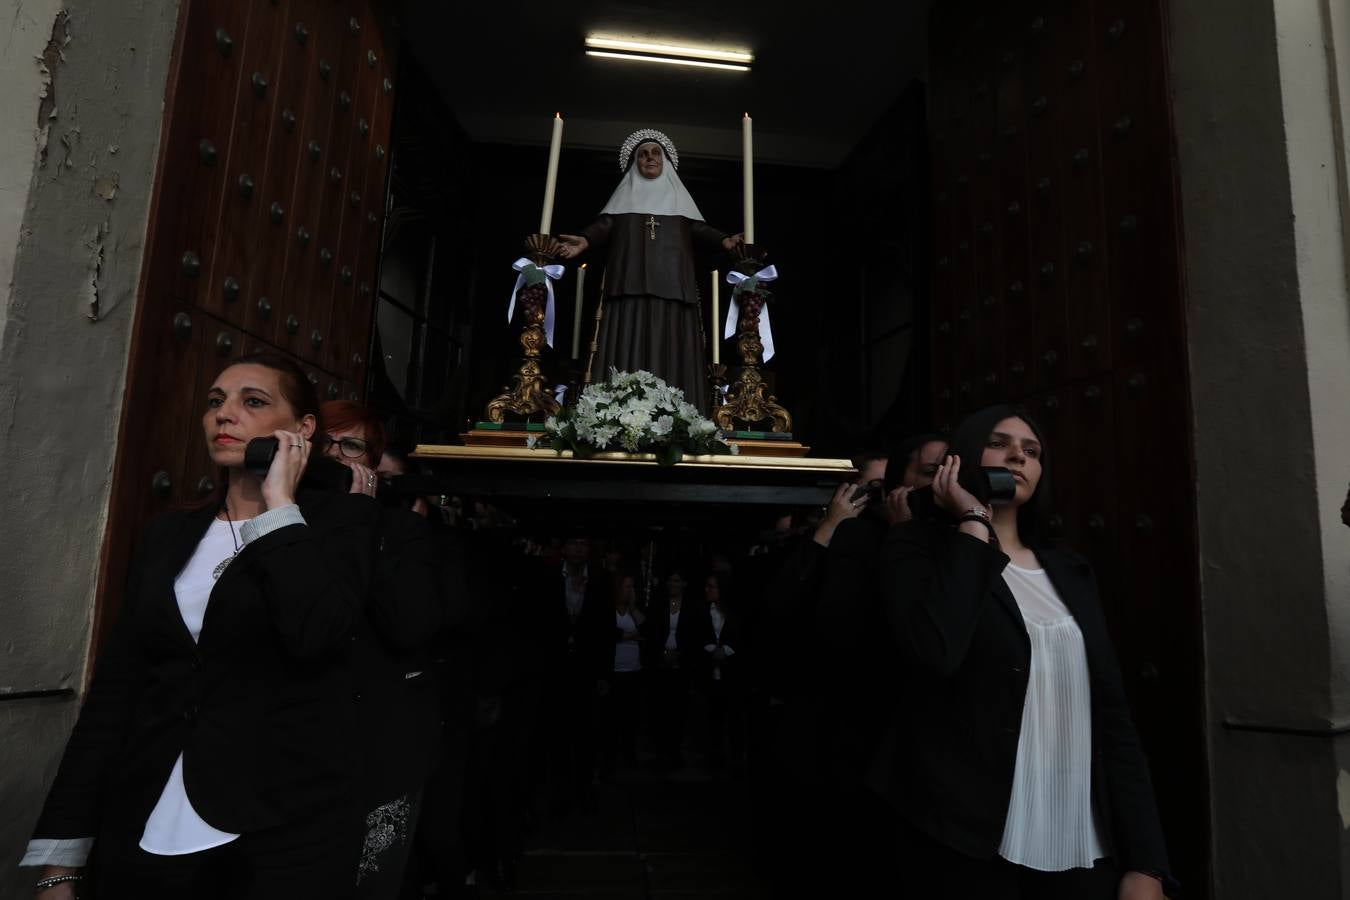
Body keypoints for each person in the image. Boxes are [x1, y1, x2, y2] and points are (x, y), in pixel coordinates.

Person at [24, 353, 380, 899]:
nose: (224, 414)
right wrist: (61, 859)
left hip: (277, 831)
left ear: (303, 429)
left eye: (252, 402)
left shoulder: (341, 525)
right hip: (144, 815)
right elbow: (118, 689)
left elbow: (316, 633)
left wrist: (279, 503)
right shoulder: (167, 535)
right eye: (215, 401)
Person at [880, 405, 1175, 899]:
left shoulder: (1071, 571)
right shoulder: (917, 552)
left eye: (1032, 451)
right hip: (966, 844)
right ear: (961, 460)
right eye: (999, 443)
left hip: (1081, 841)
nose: (1018, 455)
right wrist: (974, 519)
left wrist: (1148, 862)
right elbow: (935, 652)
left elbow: (1114, 720)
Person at [318, 404, 447, 900]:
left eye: (351, 447)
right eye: (326, 444)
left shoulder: (396, 531)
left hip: (379, 742)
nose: (336, 457)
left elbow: (411, 625)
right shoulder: (282, 519)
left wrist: (364, 521)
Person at [558, 129, 742, 411]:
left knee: (671, 342)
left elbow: (697, 228)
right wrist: (585, 239)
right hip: (628, 284)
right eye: (643, 154)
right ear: (635, 162)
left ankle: (678, 414)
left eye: (655, 153)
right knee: (626, 337)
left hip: (673, 286)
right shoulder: (623, 200)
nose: (649, 158)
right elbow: (605, 225)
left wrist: (725, 240)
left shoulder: (680, 202)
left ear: (665, 161)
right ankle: (616, 411)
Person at [641, 569, 707, 772]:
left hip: (681, 665)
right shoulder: (658, 605)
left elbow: (695, 635)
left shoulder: (692, 607)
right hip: (660, 665)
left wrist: (679, 655)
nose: (673, 584)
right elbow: (651, 632)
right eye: (670, 580)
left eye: (677, 581)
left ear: (684, 584)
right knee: (661, 708)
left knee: (678, 709)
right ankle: (662, 751)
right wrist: (661, 653)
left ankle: (675, 750)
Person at [698, 572, 745, 775]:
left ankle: (735, 759)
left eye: (711, 586)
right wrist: (712, 650)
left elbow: (740, 637)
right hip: (711, 675)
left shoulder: (734, 612)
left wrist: (724, 651)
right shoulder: (702, 611)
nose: (707, 590)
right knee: (713, 720)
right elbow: (698, 634)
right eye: (707, 586)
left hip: (731, 675)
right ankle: (715, 758)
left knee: (734, 719)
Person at [599, 570, 646, 774]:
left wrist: (634, 608)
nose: (631, 591)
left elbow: (646, 628)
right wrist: (628, 636)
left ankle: (629, 754)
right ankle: (608, 758)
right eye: (627, 586)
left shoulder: (632, 611)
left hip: (633, 672)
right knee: (611, 719)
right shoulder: (607, 610)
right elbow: (606, 633)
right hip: (615, 672)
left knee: (630, 717)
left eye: (632, 587)